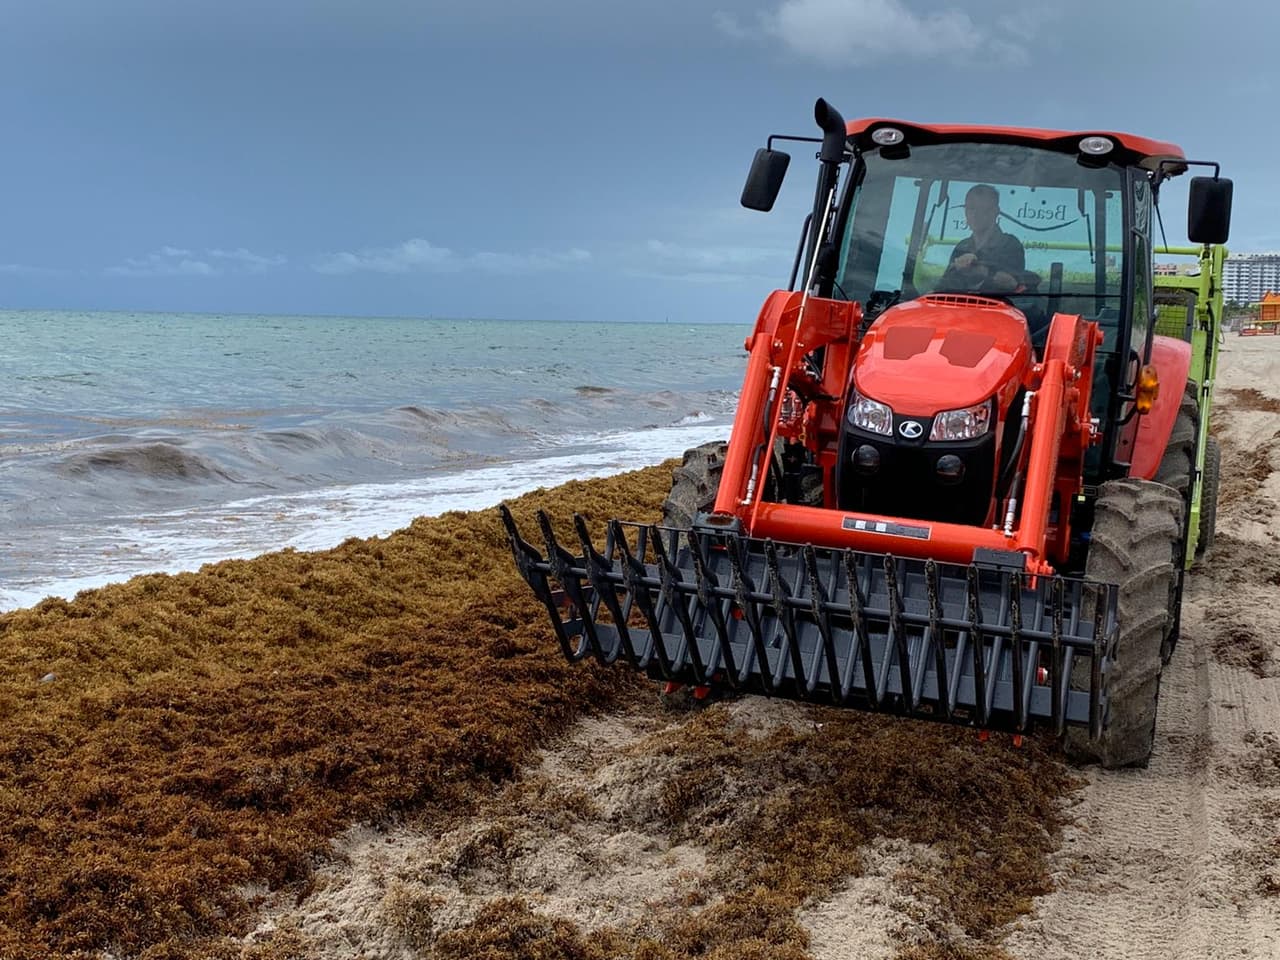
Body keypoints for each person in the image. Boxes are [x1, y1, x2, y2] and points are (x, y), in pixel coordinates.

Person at [940, 184, 1026, 293]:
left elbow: (1012, 284)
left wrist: (981, 271)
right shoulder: (962, 247)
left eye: (982, 209)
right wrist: (956, 268)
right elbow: (943, 288)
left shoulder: (1010, 245)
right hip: (957, 308)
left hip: (998, 308)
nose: (975, 214)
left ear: (995, 211)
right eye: (971, 209)